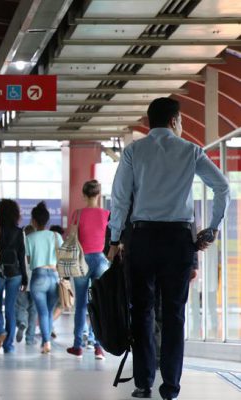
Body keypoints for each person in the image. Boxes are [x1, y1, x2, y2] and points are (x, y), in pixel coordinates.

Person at [108, 97, 228, 400]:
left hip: (142, 238)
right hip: (178, 240)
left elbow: (120, 198)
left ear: (150, 121)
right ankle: (170, 387)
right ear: (175, 120)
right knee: (174, 314)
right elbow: (222, 186)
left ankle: (143, 382)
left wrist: (113, 241)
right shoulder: (190, 151)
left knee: (142, 312)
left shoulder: (134, 151)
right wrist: (212, 228)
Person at [66, 180, 110, 360]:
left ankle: (78, 346)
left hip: (81, 261)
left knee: (81, 305)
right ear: (98, 195)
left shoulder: (77, 215)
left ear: (84, 195)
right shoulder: (107, 215)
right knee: (98, 305)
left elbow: (72, 239)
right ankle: (99, 347)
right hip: (101, 260)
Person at [0, 199, 28, 354]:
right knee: (10, 308)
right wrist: (25, 278)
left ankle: (0, 331)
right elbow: (22, 256)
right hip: (15, 273)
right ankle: (9, 346)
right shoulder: (18, 232)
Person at [25, 202, 62, 355]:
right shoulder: (56, 236)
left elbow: (28, 260)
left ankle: (46, 342)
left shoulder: (30, 237)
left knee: (42, 312)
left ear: (33, 221)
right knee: (49, 310)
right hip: (53, 276)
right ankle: (46, 340)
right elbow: (62, 257)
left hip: (38, 276)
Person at [15, 224, 38, 345]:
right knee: (34, 310)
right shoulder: (37, 245)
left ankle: (22, 322)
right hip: (35, 281)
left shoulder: (21, 245)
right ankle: (30, 338)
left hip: (22, 280)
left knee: (21, 306)